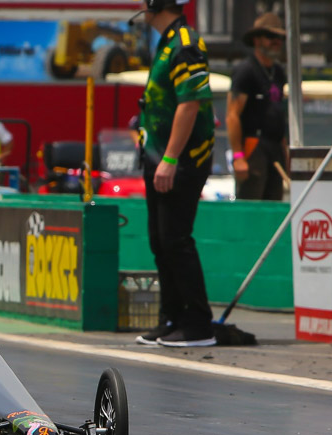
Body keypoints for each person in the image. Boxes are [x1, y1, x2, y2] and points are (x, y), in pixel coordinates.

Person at [135, 0, 217, 347]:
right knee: (160, 240)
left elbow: (190, 102)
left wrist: (170, 158)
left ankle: (198, 324)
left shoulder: (185, 43)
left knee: (176, 239)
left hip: (183, 160)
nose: (141, 7)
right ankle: (171, 318)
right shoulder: (167, 42)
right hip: (158, 157)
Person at [227, 12, 288, 201]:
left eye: (279, 37)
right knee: (251, 202)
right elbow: (232, 115)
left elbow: (280, 114)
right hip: (254, 145)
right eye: (270, 36)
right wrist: (238, 156)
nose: (276, 41)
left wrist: (285, 153)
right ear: (256, 40)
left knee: (274, 204)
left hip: (275, 147)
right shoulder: (246, 70)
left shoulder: (279, 72)